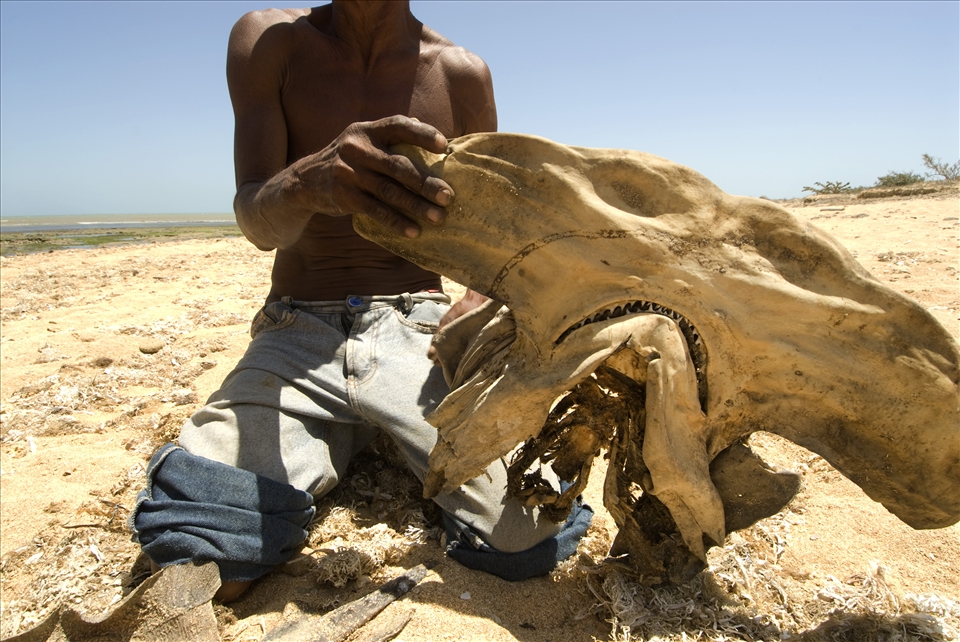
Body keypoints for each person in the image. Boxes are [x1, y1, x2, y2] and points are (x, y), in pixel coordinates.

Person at [129, 0, 591, 602]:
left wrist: (476, 301)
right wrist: (307, 181)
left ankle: (361, 427)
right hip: (297, 327)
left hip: (419, 329)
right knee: (205, 552)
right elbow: (255, 220)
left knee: (522, 540)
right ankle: (352, 429)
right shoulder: (270, 42)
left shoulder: (460, 73)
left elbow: (497, 235)